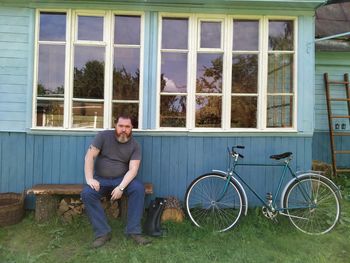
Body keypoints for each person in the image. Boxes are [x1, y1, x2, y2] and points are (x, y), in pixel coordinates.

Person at [81, 115, 151, 248]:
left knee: (138, 189)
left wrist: (121, 187)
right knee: (87, 193)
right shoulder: (103, 137)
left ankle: (133, 231)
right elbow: (89, 157)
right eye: (121, 126)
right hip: (101, 180)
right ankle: (102, 233)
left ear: (131, 128)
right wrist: (90, 178)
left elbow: (133, 169)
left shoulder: (135, 145)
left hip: (122, 180)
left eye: (127, 127)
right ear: (115, 126)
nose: (123, 130)